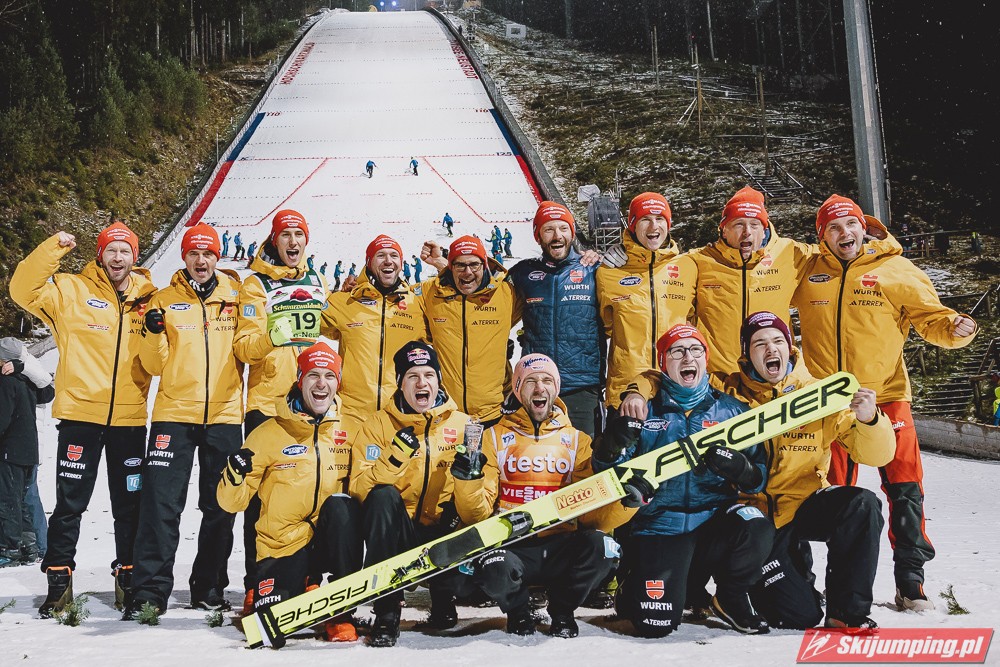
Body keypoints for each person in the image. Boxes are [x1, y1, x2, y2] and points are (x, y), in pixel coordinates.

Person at [793, 194, 978, 611]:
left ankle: (911, 579)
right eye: (833, 228)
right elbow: (763, 290)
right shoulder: (808, 270)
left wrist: (956, 327)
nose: (844, 233)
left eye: (850, 225)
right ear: (822, 236)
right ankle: (824, 581)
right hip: (826, 401)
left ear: (864, 228)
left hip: (886, 395)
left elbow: (932, 317)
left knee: (905, 488)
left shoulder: (896, 268)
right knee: (827, 493)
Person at [10, 221, 156, 616]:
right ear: (100, 254)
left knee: (130, 505)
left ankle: (129, 579)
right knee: (70, 504)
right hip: (80, 417)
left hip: (128, 420)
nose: (118, 257)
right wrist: (53, 248)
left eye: (125, 250)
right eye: (111, 250)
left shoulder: (150, 298)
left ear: (134, 256)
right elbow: (21, 289)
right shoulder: (71, 290)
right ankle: (59, 583)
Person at [719, 312, 895, 632]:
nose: (770, 349)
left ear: (789, 347)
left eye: (778, 341)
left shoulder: (818, 394)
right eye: (760, 343)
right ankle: (751, 581)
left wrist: (871, 420)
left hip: (804, 503)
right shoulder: (727, 393)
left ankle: (846, 612)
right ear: (747, 354)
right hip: (756, 519)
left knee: (862, 504)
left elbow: (875, 455)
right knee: (798, 616)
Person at [594, 324, 772, 637]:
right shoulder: (645, 410)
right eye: (677, 352)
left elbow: (757, 479)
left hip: (713, 522)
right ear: (664, 363)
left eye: (695, 350)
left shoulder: (732, 410)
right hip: (661, 525)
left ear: (706, 359)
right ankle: (640, 584)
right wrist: (612, 447)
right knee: (654, 625)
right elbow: (609, 473)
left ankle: (730, 596)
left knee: (754, 522)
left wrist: (741, 469)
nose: (688, 357)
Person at [451, 354, 623, 638]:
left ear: (556, 388)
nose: (540, 387)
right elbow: (476, 514)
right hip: (513, 545)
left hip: (561, 544)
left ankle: (563, 611)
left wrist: (624, 496)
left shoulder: (578, 440)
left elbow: (592, 515)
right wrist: (468, 481)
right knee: (494, 568)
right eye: (530, 381)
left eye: (546, 380)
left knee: (603, 547)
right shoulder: (493, 437)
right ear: (518, 389)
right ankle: (519, 612)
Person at [124, 225, 244, 619]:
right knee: (161, 504)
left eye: (208, 253)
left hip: (224, 415)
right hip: (173, 415)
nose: (201, 260)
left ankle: (208, 586)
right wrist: (152, 332)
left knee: (220, 505)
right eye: (194, 253)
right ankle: (149, 591)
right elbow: (154, 365)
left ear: (218, 257)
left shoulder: (236, 296)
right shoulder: (164, 299)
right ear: (185, 258)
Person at [218, 342, 362, 642]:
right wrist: (234, 475)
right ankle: (303, 584)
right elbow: (233, 503)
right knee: (272, 629)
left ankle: (341, 611)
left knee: (342, 506)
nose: (321, 384)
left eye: (329, 376)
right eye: (313, 375)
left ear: (338, 382)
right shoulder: (268, 432)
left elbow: (367, 483)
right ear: (299, 380)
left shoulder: (351, 429)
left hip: (328, 541)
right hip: (282, 547)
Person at [233, 208, 329, 614]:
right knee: (260, 501)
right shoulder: (256, 284)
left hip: (309, 404)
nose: (293, 241)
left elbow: (330, 329)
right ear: (275, 240)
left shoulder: (317, 280)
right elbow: (244, 347)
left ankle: (307, 578)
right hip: (268, 404)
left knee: (311, 494)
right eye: (285, 234)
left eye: (298, 235)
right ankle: (256, 583)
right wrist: (273, 337)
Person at [349, 342, 468, 646]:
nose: (421, 383)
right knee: (382, 497)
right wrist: (394, 458)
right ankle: (387, 611)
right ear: (400, 383)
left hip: (444, 529)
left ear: (438, 381)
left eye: (429, 375)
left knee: (465, 497)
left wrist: (471, 478)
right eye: (412, 376)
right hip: (398, 533)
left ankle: (443, 596)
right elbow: (359, 488)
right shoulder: (377, 424)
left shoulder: (463, 424)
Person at [685, 186, 813, 374]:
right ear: (724, 230)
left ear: (764, 229)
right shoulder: (699, 261)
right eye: (738, 224)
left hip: (774, 374)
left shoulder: (791, 253)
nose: (747, 232)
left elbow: (835, 254)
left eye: (754, 225)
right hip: (720, 377)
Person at [508, 201, 604, 438]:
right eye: (548, 229)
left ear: (572, 233)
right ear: (538, 236)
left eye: (563, 228)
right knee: (536, 456)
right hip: (536, 386)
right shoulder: (522, 273)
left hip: (581, 387)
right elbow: (482, 291)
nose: (557, 236)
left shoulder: (594, 270)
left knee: (583, 456)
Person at [596, 193, 696, 416]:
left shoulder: (689, 266)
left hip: (676, 388)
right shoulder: (609, 272)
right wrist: (592, 256)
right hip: (626, 391)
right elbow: (603, 327)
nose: (654, 226)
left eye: (660, 218)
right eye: (645, 219)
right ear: (632, 224)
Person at [320, 234, 427, 425]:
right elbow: (305, 325)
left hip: (400, 414)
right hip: (352, 415)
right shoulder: (344, 301)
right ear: (369, 262)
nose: (388, 261)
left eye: (394, 255)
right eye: (381, 255)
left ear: (401, 264)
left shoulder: (416, 304)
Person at [418, 236, 515, 426]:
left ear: (484, 265)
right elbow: (391, 298)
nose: (468, 272)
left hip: (494, 413)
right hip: (446, 413)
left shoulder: (507, 293)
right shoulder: (430, 294)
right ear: (451, 267)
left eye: (474, 265)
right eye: (460, 265)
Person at [0, 338, 55, 568]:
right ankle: (29, 547)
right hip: (29, 449)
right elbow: (47, 391)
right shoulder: (29, 381)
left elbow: (3, 418)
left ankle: (10, 548)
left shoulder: (7, 382)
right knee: (23, 500)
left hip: (11, 450)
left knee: (9, 500)